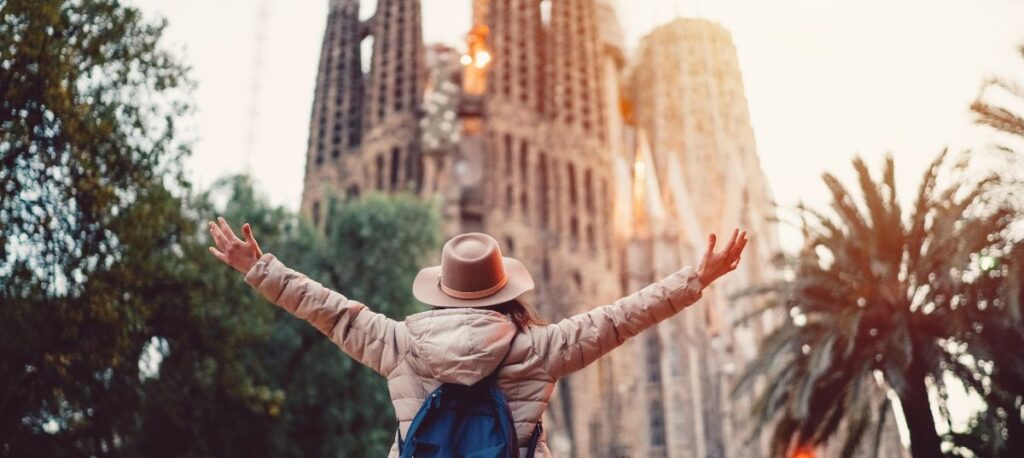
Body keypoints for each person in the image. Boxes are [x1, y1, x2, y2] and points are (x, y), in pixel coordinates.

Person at [208, 217, 748, 458]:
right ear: (504, 290)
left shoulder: (399, 344)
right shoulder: (539, 349)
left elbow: (331, 313)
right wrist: (696, 278)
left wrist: (259, 268)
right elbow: (619, 318)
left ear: (442, 292)